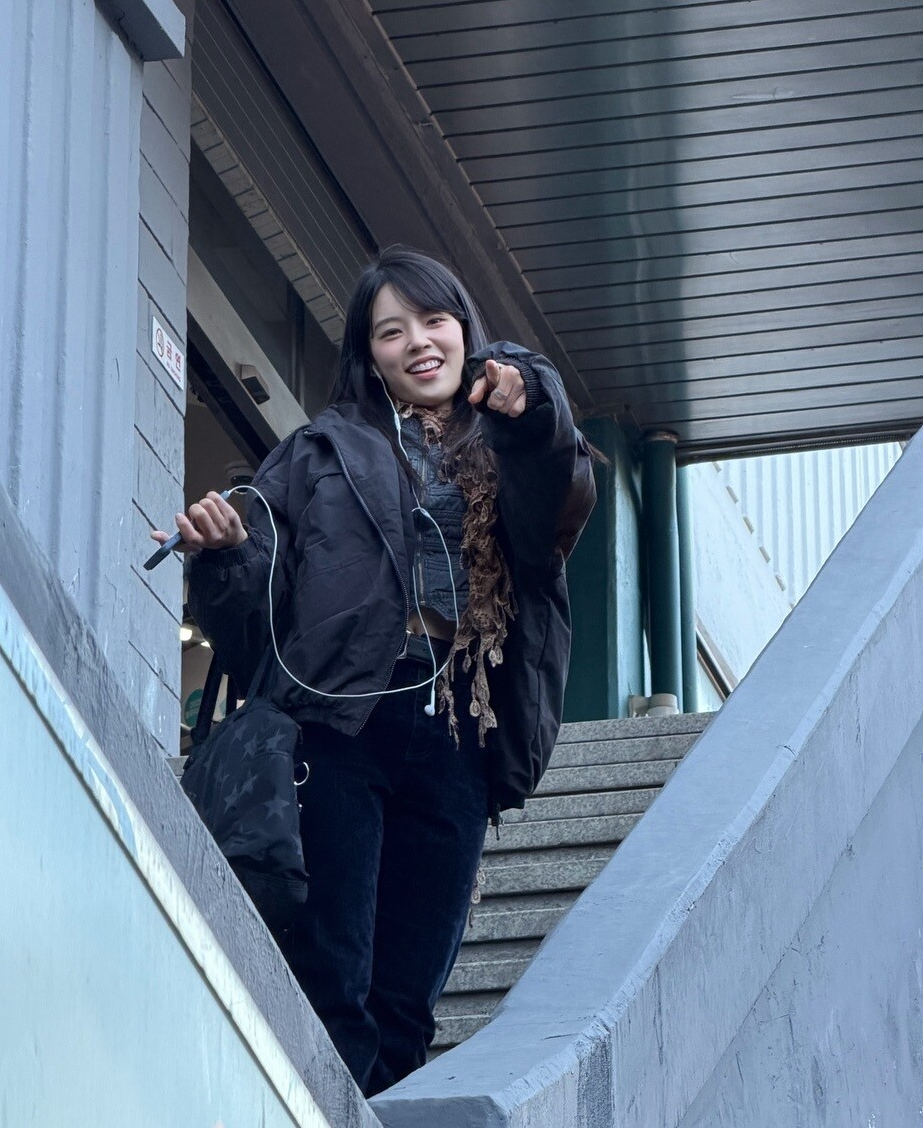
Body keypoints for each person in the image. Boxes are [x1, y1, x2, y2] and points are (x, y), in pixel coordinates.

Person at [155, 244, 596, 1095]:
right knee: (333, 978)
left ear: (465, 330)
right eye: (392, 331)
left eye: (434, 320)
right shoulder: (317, 451)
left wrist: (530, 398)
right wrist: (223, 554)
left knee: (407, 1001)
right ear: (369, 352)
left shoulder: (514, 444)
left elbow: (559, 482)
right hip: (342, 726)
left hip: (460, 732)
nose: (418, 342)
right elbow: (256, 614)